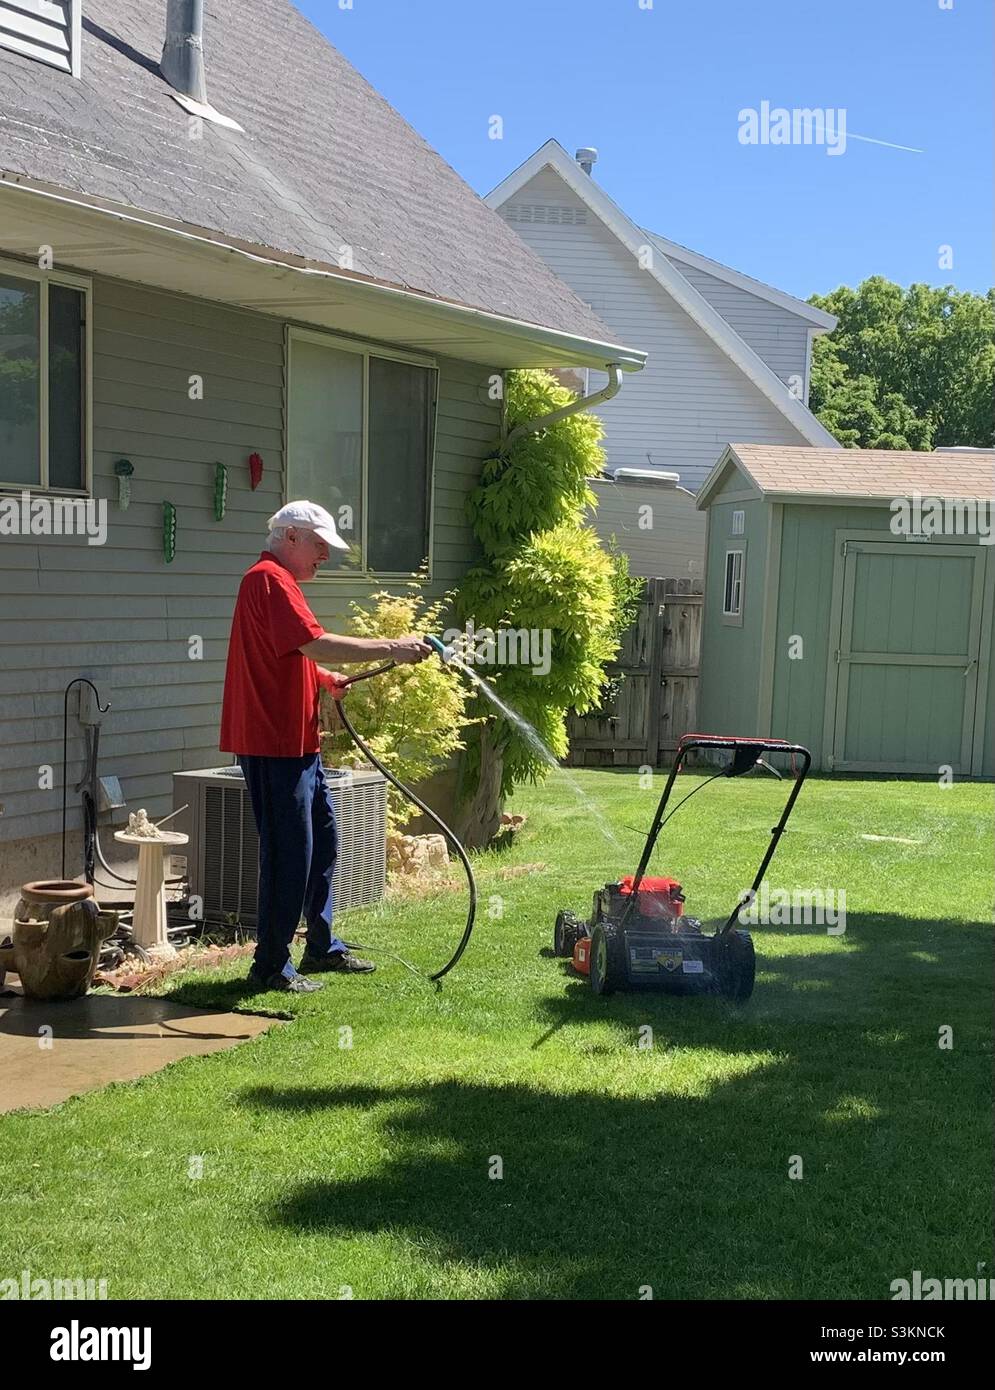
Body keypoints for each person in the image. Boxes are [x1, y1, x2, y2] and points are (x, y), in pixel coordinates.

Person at [220, 501, 431, 993]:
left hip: (299, 744)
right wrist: (391, 646)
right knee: (288, 854)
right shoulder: (268, 580)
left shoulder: (279, 582)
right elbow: (313, 641)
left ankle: (321, 947)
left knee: (322, 843)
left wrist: (323, 677)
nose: (325, 557)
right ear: (291, 536)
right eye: (319, 546)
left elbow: (293, 652)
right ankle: (269, 965)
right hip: (272, 743)